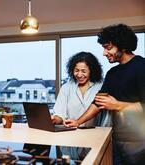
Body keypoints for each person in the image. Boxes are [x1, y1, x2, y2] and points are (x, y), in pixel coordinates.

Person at [64, 24, 145, 165]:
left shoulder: (142, 66)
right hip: (115, 138)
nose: (104, 53)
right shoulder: (112, 73)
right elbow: (97, 103)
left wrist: (118, 105)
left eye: (108, 48)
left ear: (123, 46)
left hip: (139, 142)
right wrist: (78, 122)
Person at [52, 51, 104, 127]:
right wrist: (54, 119)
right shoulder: (66, 88)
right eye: (76, 70)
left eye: (84, 71)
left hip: (96, 133)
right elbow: (59, 115)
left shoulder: (101, 87)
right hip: (72, 132)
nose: (79, 75)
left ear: (91, 71)